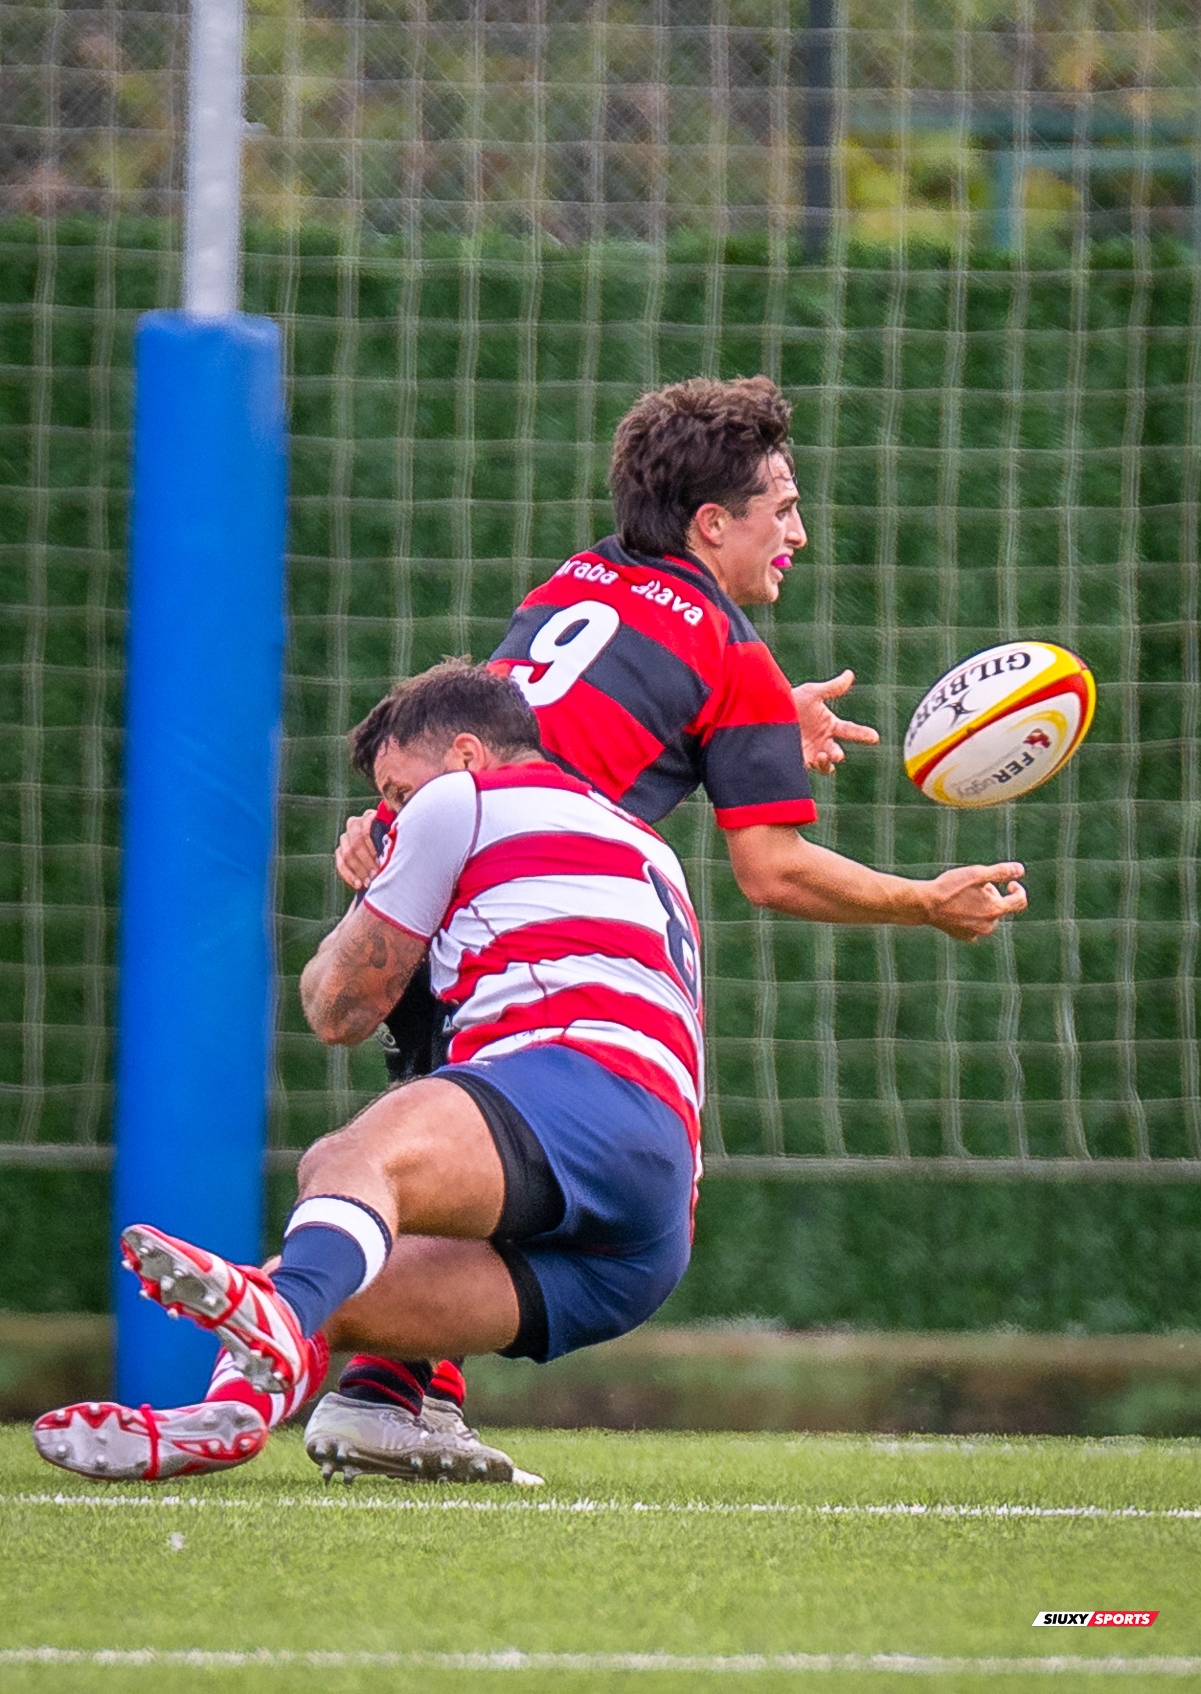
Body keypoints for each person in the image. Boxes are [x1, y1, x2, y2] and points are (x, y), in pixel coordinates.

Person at [324, 376, 1029, 1473]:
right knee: (551, 1152)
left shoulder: (576, 577)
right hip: (526, 901)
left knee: (457, 1129)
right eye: (780, 507)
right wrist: (920, 901)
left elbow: (572, 709)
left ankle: (391, 1388)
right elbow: (774, 872)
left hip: (424, 853)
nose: (798, 531)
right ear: (711, 523)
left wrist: (750, 722)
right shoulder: (732, 653)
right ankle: (374, 1387)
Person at [34, 665, 703, 1487]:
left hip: (583, 1086)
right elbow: (442, 1049)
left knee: (346, 1162)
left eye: (396, 790)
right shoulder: (643, 844)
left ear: (464, 756)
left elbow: (337, 1009)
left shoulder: (462, 802)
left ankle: (281, 1326)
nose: (388, 813)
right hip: (646, 1233)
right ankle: (234, 1417)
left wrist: (372, 891)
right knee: (327, 1281)